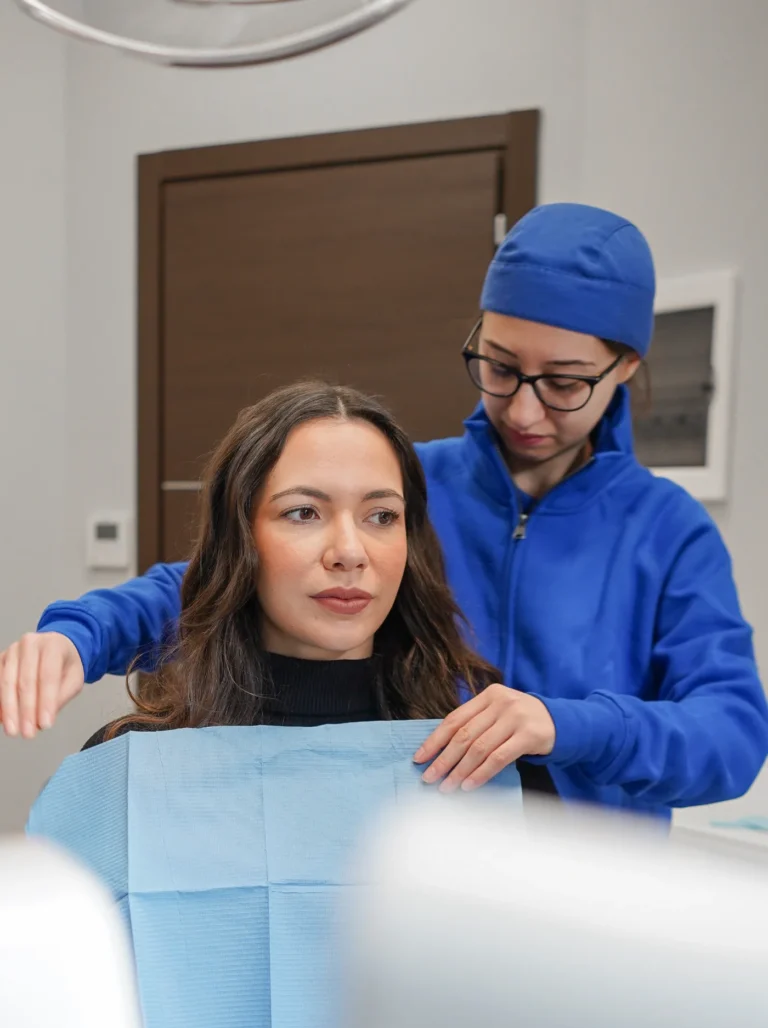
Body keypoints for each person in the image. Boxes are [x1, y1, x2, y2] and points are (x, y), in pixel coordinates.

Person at [2, 202, 767, 819]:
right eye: (500, 367)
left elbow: (732, 734)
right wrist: (79, 635)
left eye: (564, 382)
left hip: (581, 892)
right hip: (405, 848)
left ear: (626, 366)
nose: (525, 408)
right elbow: (211, 581)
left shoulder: (669, 533)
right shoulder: (404, 490)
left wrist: (566, 726)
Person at [72, 380, 503, 750]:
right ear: (240, 538)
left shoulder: (475, 757)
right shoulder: (133, 762)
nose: (350, 553)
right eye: (304, 513)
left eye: (381, 516)